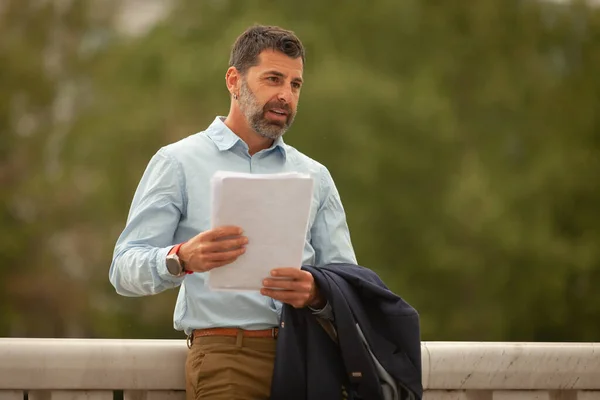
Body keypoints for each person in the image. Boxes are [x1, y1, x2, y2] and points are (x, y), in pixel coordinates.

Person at [109, 24, 357, 399]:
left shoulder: (315, 176)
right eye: (273, 79)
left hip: (310, 357)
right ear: (233, 80)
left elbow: (349, 283)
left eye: (295, 85)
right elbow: (123, 269)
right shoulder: (178, 162)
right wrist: (181, 258)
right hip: (227, 358)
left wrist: (318, 293)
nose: (285, 95)